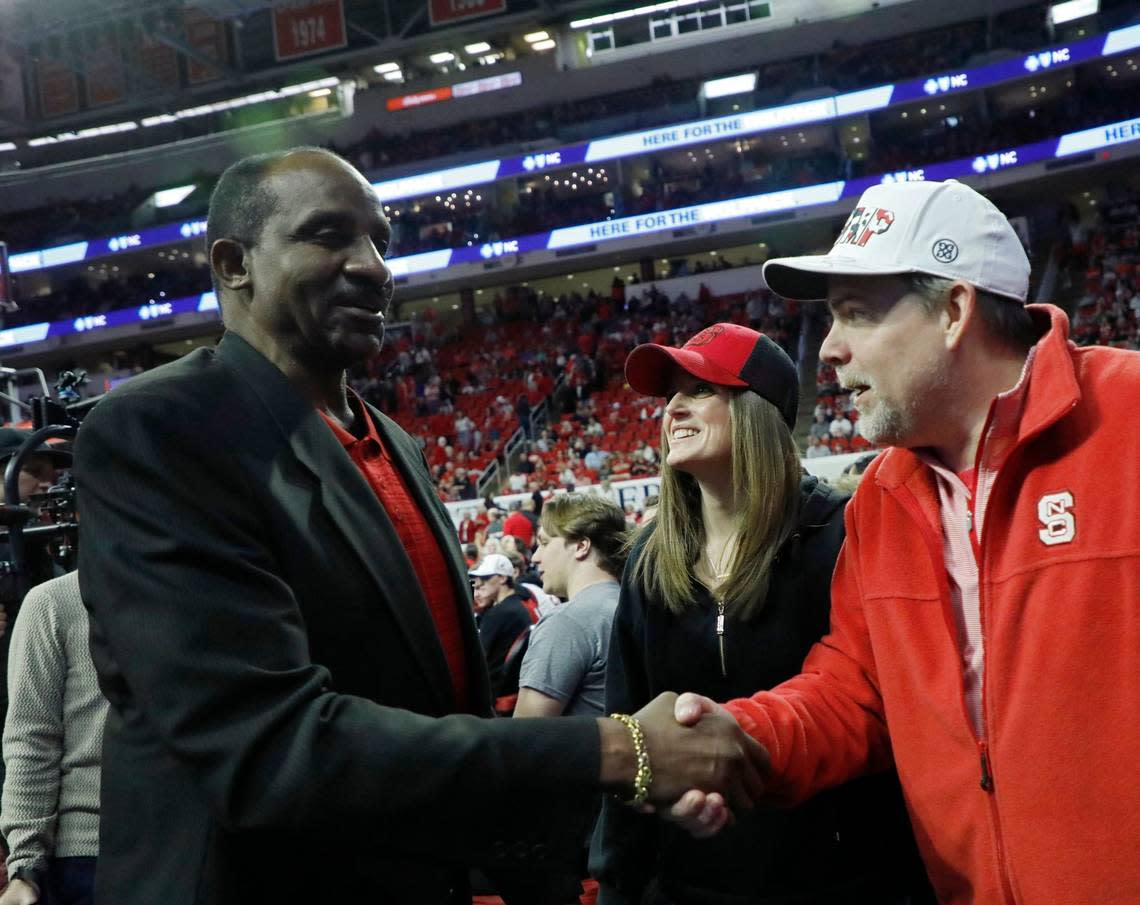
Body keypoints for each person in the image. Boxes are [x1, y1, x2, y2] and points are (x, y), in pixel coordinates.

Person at [72, 147, 768, 905]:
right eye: (329, 235)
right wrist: (618, 750)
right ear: (234, 263)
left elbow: (443, 713)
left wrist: (618, 795)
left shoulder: (393, 443)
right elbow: (268, 747)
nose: (372, 266)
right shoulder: (160, 428)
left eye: (381, 241)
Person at [668, 179, 1140, 904]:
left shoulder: (1128, 417)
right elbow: (854, 692)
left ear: (954, 311)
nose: (829, 349)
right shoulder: (882, 500)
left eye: (855, 313)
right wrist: (740, 735)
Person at [590, 323, 930, 905]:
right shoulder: (650, 556)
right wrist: (619, 880)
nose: (673, 407)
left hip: (846, 881)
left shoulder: (843, 533)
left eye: (699, 389)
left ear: (757, 410)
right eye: (671, 392)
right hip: (692, 886)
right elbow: (631, 722)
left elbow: (889, 714)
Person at [1, 572, 108, 905]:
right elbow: (31, 739)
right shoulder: (54, 602)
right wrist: (25, 866)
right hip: (84, 854)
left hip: (193, 847)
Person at [514, 494, 629, 719]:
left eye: (545, 543)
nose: (536, 557)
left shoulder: (567, 623)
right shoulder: (631, 607)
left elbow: (523, 737)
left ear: (581, 546)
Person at [470, 553, 535, 705]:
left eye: (485, 578)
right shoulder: (522, 601)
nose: (479, 583)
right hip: (517, 688)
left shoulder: (500, 613)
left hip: (497, 696)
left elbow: (477, 659)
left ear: (503, 578)